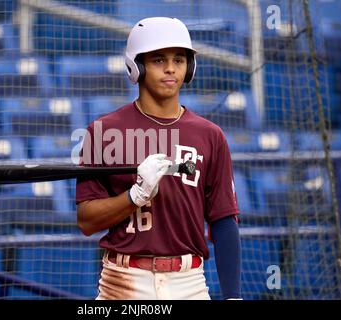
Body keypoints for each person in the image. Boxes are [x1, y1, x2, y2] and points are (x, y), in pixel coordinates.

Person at [76, 17, 241, 300]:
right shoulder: (104, 132)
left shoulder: (210, 135)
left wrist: (233, 296)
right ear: (136, 66)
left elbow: (224, 220)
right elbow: (87, 221)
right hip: (124, 281)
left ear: (190, 67)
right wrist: (135, 195)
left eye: (179, 59)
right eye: (158, 60)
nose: (170, 68)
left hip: (190, 283)